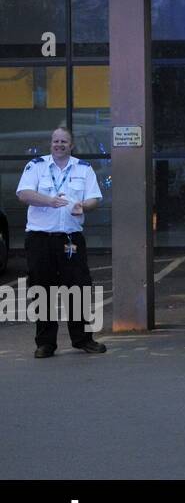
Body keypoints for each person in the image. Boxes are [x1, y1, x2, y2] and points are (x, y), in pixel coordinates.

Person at [15, 126, 107, 358]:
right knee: (41, 290)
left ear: (72, 145)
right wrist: (49, 201)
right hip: (40, 239)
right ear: (51, 143)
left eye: (64, 141)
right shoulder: (36, 166)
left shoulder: (83, 169)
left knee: (78, 287)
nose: (59, 145)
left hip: (70, 238)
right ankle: (45, 344)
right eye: (55, 141)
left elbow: (95, 198)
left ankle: (83, 339)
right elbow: (23, 194)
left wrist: (83, 206)